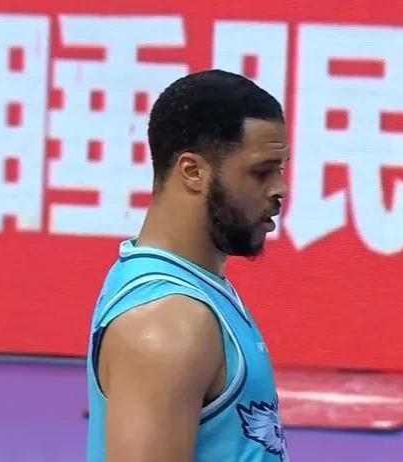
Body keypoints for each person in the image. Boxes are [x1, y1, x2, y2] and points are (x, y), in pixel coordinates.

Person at [86, 69, 290, 462]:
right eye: (261, 172)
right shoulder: (169, 323)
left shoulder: (197, 290)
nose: (280, 188)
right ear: (193, 172)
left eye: (280, 169)